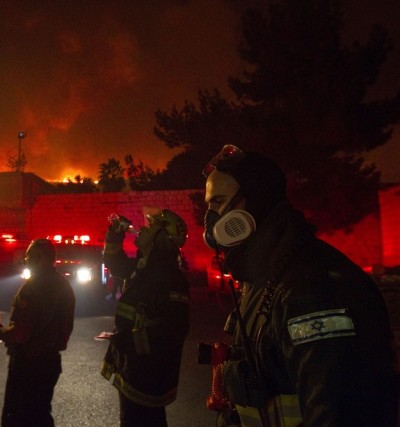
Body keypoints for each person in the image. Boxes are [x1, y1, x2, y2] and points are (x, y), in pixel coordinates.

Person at [202, 144, 399, 426]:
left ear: (257, 201)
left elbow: (339, 412)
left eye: (218, 202)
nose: (211, 219)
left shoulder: (313, 289)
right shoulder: (265, 274)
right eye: (209, 204)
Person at [99, 209, 190, 427]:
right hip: (133, 368)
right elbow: (113, 261)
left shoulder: (169, 277)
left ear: (161, 238)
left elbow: (173, 331)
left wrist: (129, 342)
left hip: (148, 374)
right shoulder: (144, 266)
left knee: (144, 422)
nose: (142, 229)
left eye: (150, 227)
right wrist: (115, 232)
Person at [0, 238, 75, 427]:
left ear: (39, 257)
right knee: (40, 414)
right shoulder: (64, 285)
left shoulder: (34, 287)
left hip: (28, 365)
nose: (25, 261)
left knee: (18, 417)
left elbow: (20, 333)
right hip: (49, 362)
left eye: (28, 256)